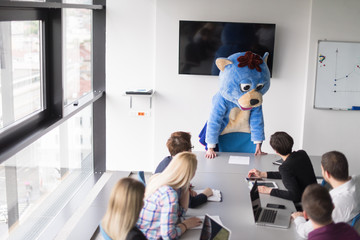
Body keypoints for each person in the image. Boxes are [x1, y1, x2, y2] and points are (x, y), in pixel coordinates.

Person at [292, 151, 360, 238]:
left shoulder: (338, 203)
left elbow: (306, 232)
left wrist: (298, 218)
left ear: (327, 173)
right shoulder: (357, 180)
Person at [137, 152, 202, 239]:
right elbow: (168, 236)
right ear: (192, 174)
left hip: (142, 234)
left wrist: (186, 185)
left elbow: (180, 213)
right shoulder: (169, 195)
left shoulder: (158, 179)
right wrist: (186, 225)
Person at [247, 131, 317, 203]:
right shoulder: (302, 153)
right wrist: (262, 174)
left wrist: (268, 190)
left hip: (308, 203)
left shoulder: (285, 167)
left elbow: (295, 196)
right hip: (317, 195)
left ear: (276, 151)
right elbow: (289, 174)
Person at [155, 131, 213, 208]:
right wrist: (206, 193)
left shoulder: (167, 161)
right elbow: (191, 203)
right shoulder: (178, 171)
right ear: (185, 152)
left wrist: (186, 189)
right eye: (191, 148)